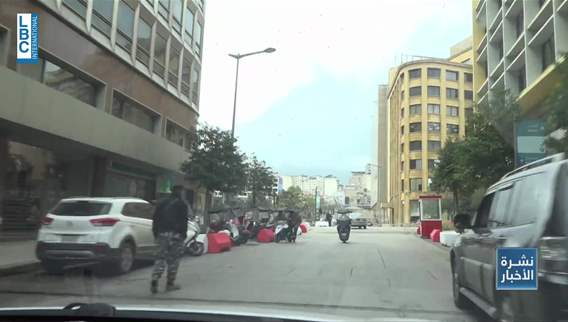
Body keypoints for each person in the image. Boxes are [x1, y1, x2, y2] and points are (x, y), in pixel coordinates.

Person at [150, 185, 189, 294]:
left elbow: (155, 219)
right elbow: (184, 221)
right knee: (173, 260)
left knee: (160, 257)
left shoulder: (161, 203)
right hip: (176, 235)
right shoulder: (182, 204)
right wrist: (183, 234)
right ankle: (170, 284)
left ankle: (155, 279)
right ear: (180, 192)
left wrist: (156, 233)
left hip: (162, 234)